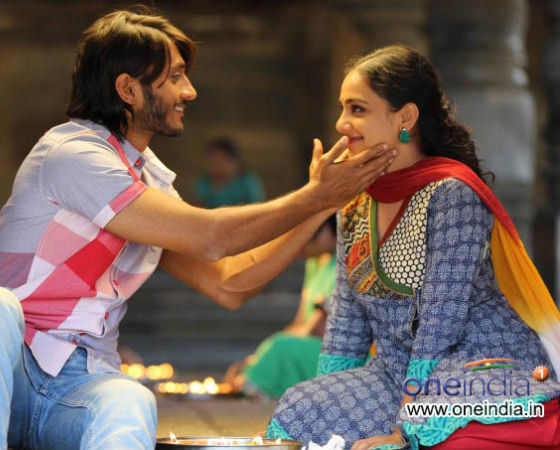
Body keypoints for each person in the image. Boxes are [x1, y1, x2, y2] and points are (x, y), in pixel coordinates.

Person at [0, 7, 398, 450]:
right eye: (174, 77)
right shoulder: (72, 153)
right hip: (5, 372)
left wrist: (323, 202)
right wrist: (315, 197)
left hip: (79, 385)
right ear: (128, 89)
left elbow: (229, 283)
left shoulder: (149, 180)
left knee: (131, 399)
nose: (189, 91)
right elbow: (211, 237)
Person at [266, 45, 560, 450]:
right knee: (301, 410)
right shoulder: (356, 204)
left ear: (405, 117)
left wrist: (403, 426)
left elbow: (441, 322)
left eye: (357, 109)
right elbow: (347, 326)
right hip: (395, 373)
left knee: (432, 432)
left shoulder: (452, 194)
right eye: (343, 108)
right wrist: (330, 393)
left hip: (477, 366)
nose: (341, 123)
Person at [225, 215, 337, 398]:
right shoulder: (315, 263)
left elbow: (318, 328)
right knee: (275, 345)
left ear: (326, 230)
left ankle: (254, 387)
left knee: (281, 346)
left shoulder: (345, 263)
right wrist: (258, 358)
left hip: (336, 348)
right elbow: (300, 321)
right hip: (308, 339)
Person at [193, 137, 266, 208]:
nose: (217, 164)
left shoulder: (247, 182)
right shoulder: (203, 183)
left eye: (222, 159)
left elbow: (257, 209)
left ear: (235, 161)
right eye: (212, 158)